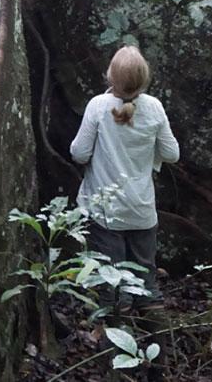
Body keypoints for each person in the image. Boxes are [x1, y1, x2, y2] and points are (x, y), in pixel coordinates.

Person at [69, 44, 180, 313]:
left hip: (105, 212)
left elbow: (79, 153)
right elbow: (172, 153)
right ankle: (161, 352)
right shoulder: (154, 107)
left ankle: (114, 349)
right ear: (144, 79)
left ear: (110, 77)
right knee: (147, 285)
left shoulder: (98, 106)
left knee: (111, 285)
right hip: (141, 211)